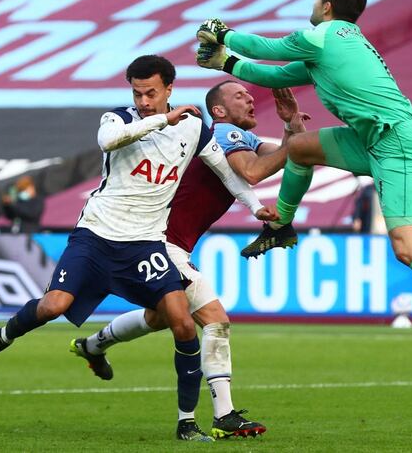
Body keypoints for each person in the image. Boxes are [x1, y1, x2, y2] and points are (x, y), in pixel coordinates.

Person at [195, 0, 412, 373]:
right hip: (374, 138)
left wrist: (223, 34)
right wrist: (224, 62)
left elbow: (269, 49)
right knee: (299, 146)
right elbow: (273, 76)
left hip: (394, 144)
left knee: (407, 248)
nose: (314, 3)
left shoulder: (324, 35)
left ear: (327, 7)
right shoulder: (333, 45)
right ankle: (281, 227)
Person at [0, 55, 277, 442]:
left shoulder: (193, 127)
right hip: (95, 235)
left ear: (169, 89)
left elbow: (227, 172)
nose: (143, 100)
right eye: (137, 92)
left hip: (145, 244)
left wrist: (255, 206)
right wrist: (163, 118)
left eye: (151, 93)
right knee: (53, 306)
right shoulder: (120, 118)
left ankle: (187, 423)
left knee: (180, 320)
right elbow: (107, 141)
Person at [70, 81, 309, 439]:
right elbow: (255, 172)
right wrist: (298, 142)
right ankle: (224, 415)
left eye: (248, 94)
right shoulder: (225, 134)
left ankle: (93, 344)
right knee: (215, 319)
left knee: (159, 317)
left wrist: (292, 128)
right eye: (239, 95)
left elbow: (291, 156)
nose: (249, 99)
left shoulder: (243, 140)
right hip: (161, 243)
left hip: (167, 243)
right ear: (219, 112)